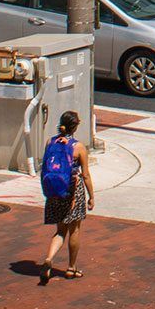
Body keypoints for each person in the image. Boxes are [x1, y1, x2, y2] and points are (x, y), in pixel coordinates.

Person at [38, 108, 94, 282]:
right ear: (75, 127)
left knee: (60, 230)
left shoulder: (50, 142)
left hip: (55, 190)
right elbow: (85, 175)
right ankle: (71, 267)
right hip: (73, 191)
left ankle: (49, 258)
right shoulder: (78, 147)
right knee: (74, 229)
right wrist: (91, 196)